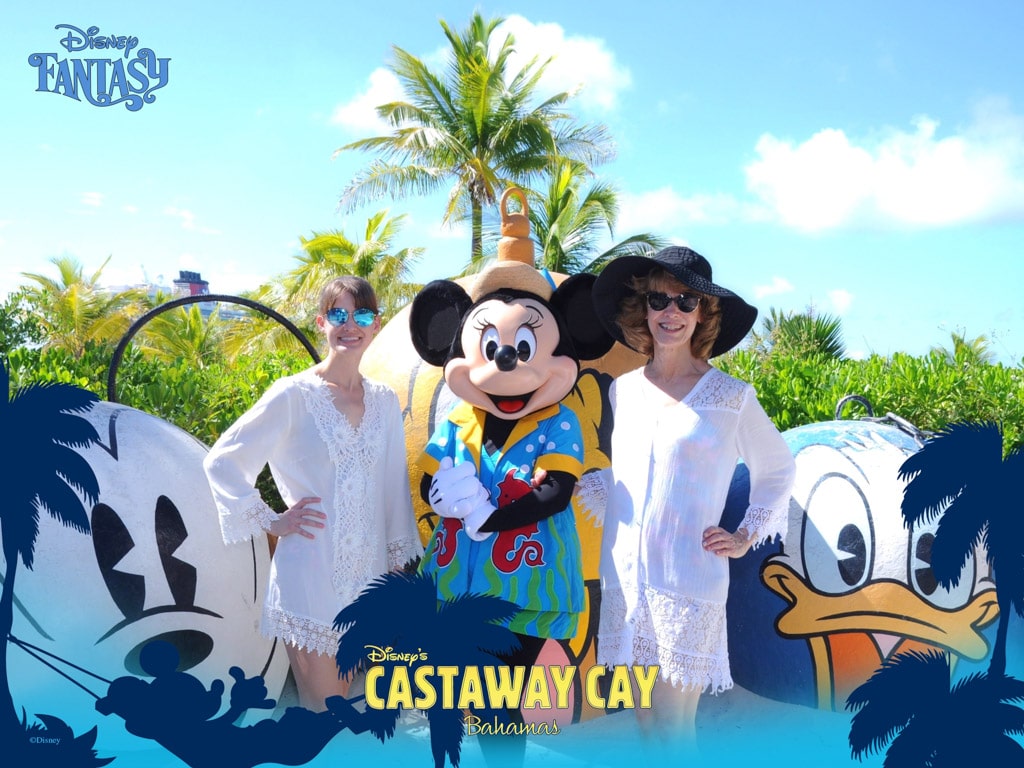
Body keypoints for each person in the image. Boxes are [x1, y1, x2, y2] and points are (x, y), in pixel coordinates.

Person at [590, 246, 796, 748]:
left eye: (686, 301)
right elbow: (637, 472)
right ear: (644, 308)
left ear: (703, 313)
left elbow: (778, 468)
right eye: (660, 299)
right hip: (626, 582)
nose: (671, 312)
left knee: (674, 726)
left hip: (688, 583)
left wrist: (745, 536)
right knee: (642, 722)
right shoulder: (622, 390)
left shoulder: (730, 396)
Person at [203, 276, 421, 712]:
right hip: (310, 580)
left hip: (370, 583)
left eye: (361, 314)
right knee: (324, 717)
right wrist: (271, 521)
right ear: (322, 322)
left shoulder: (384, 401)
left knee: (356, 718)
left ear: (375, 324)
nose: (349, 325)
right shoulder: (292, 395)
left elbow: (393, 490)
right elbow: (223, 461)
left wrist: (398, 570)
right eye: (338, 314)